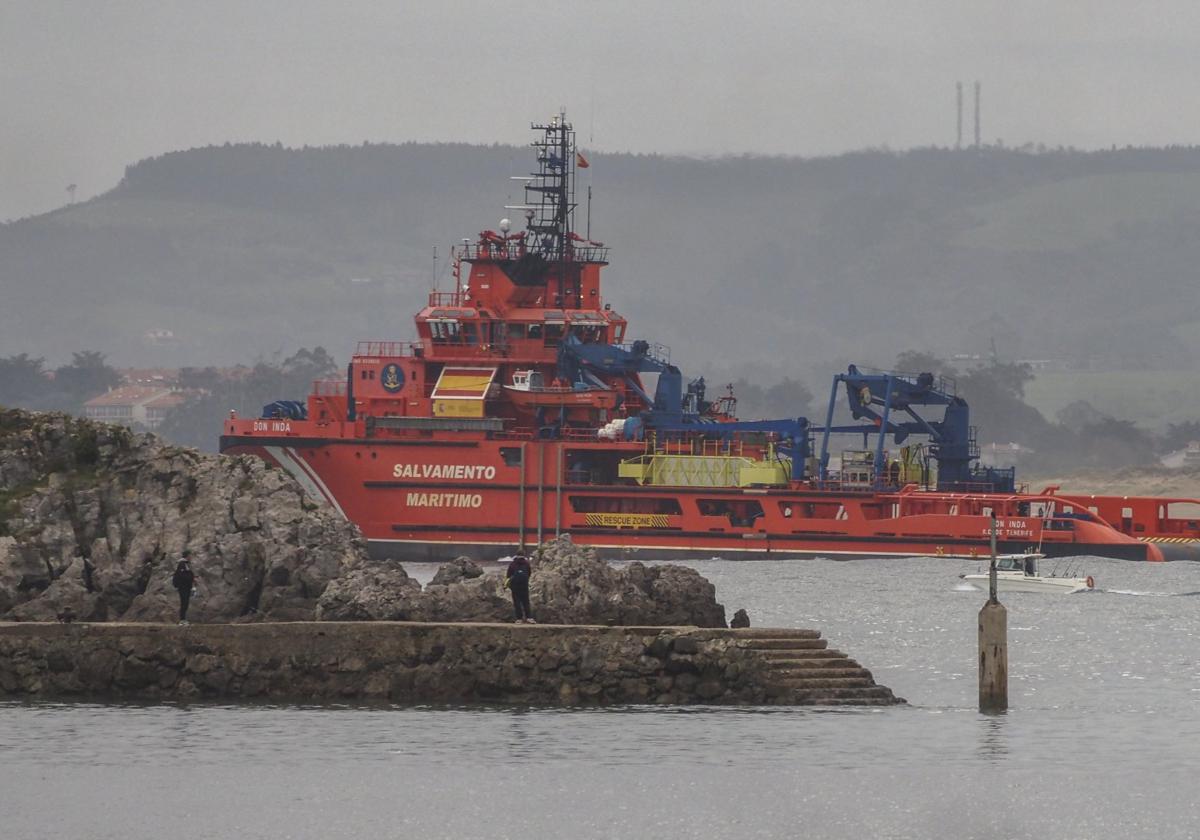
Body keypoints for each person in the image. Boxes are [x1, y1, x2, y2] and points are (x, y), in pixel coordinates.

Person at [505, 551, 535, 624]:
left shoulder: (512, 564)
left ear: (516, 555)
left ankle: (519, 619)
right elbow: (529, 573)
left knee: (517, 602)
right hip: (524, 585)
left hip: (515, 586)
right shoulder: (526, 563)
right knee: (526, 602)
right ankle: (529, 617)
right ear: (524, 555)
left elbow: (508, 575)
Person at [172, 551, 196, 625]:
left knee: (186, 602)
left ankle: (183, 619)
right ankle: (182, 619)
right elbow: (182, 576)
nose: (191, 557)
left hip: (186, 587)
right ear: (187, 556)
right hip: (183, 587)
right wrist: (191, 578)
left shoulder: (186, 564)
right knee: (184, 602)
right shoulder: (182, 564)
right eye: (190, 555)